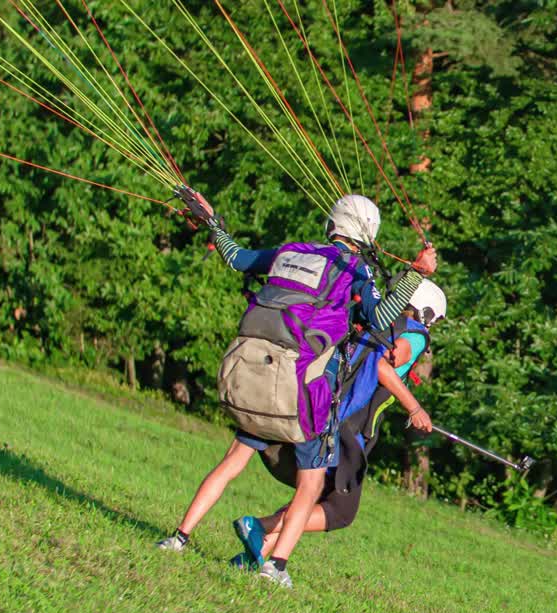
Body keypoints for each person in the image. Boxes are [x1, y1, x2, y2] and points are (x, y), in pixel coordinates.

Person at [156, 188, 435, 589]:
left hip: (253, 374)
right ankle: (277, 567)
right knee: (312, 482)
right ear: (367, 234)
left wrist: (214, 224)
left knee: (231, 462)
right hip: (303, 393)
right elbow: (380, 317)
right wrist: (415, 275)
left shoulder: (290, 251)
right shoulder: (355, 271)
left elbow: (236, 257)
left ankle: (179, 537)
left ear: (332, 224)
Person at [228, 282, 446, 574]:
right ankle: (260, 528)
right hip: (345, 427)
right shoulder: (416, 336)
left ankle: (255, 555)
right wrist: (414, 407)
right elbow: (383, 366)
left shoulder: (379, 321)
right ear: (428, 314)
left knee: (317, 494)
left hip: (324, 409)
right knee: (341, 512)